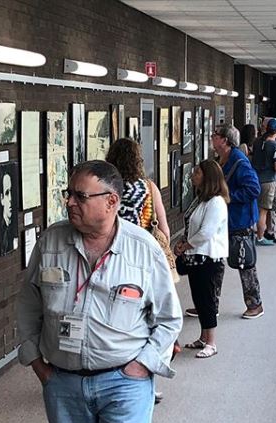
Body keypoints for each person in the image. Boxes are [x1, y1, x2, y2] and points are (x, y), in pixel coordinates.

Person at [17, 160, 182, 423]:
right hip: (64, 383)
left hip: (123, 382)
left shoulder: (143, 248)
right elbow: (28, 302)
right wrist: (36, 361)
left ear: (110, 202)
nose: (69, 202)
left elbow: (169, 319)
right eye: (68, 194)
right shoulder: (52, 241)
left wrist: (142, 367)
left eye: (79, 196)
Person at [106, 138, 173, 403]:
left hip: (113, 259)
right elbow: (164, 230)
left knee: (116, 314)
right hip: (143, 260)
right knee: (148, 317)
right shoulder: (148, 188)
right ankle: (147, 378)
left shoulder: (108, 188)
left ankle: (112, 368)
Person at [174, 160, 229, 358]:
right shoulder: (201, 200)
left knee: (207, 300)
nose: (192, 176)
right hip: (196, 257)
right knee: (199, 298)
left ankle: (211, 343)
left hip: (208, 258)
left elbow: (206, 232)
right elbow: (191, 226)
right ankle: (203, 337)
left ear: (207, 177)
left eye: (196, 173)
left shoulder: (216, 202)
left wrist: (185, 245)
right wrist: (182, 243)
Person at [213, 124, 265, 319]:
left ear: (225, 140)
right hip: (223, 220)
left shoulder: (239, 162)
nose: (212, 137)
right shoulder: (222, 159)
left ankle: (255, 304)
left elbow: (254, 189)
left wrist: (228, 196)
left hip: (239, 221)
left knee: (244, 262)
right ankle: (211, 305)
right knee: (215, 262)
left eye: (215, 135)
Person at [251, 118, 276, 245]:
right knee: (263, 211)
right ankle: (260, 237)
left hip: (254, 179)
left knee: (253, 208)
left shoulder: (257, 142)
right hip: (268, 180)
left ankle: (251, 234)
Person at [0, 171, 18, 255]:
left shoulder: (14, 228)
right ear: (2, 199)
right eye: (7, 193)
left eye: (11, 191)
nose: (10, 198)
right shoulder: (2, 230)